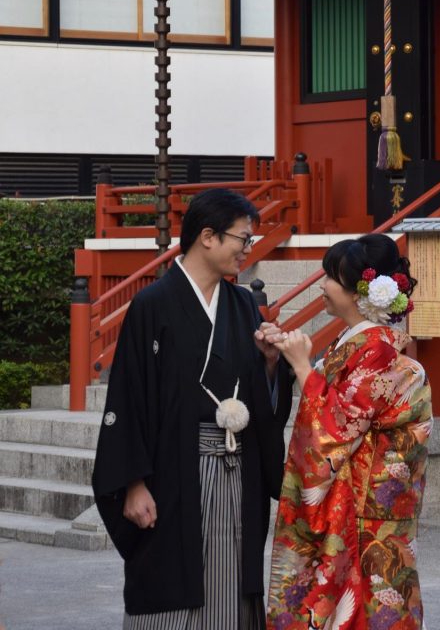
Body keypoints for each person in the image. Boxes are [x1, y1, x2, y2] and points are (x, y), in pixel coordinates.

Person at [92, 188, 293, 629]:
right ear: (208, 236)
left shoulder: (244, 305)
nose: (247, 249)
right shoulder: (152, 306)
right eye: (242, 238)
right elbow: (128, 396)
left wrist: (272, 364)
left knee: (231, 581)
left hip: (237, 470)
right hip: (170, 471)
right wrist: (132, 484)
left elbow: (264, 396)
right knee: (168, 578)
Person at [265, 232, 433, 630]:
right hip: (360, 506)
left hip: (364, 512)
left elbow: (338, 429)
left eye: (330, 278)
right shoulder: (360, 342)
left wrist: (304, 368)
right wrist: (281, 363)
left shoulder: (379, 350)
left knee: (368, 604)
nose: (322, 285)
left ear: (360, 293)